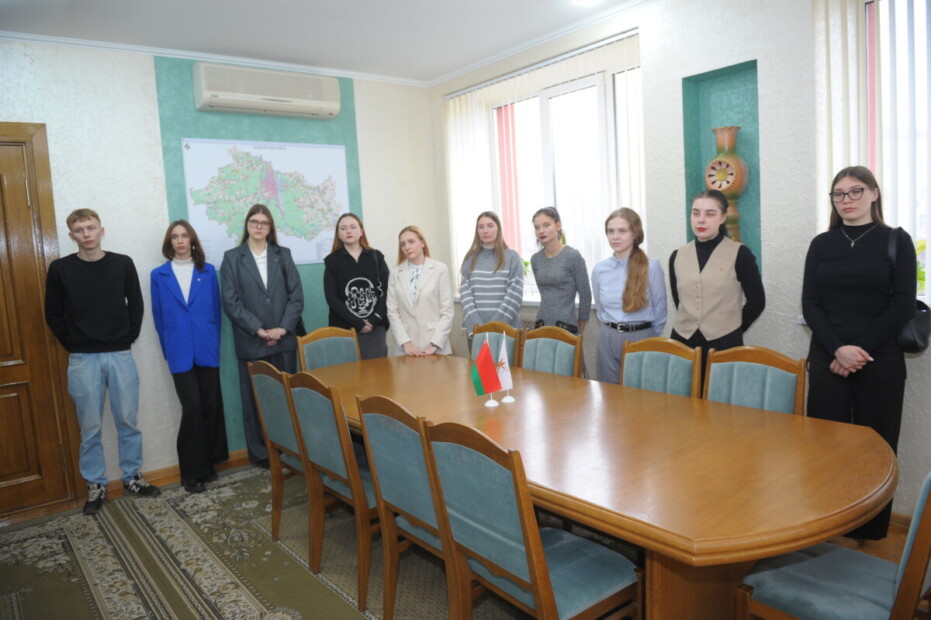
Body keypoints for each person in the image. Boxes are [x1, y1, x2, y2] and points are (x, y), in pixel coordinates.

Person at [803, 165, 915, 541]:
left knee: (876, 448)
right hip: (827, 356)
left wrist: (859, 350)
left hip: (879, 357)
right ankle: (827, 525)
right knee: (826, 446)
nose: (846, 200)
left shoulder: (896, 240)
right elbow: (810, 303)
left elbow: (903, 304)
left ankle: (870, 530)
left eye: (855, 191)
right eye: (839, 194)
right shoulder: (822, 244)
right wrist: (838, 349)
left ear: (874, 194)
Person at [45, 208, 161, 515]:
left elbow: (136, 304)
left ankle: (132, 477)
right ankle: (96, 485)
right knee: (90, 426)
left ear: (101, 230)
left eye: (91, 228)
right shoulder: (60, 269)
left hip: (120, 354)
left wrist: (127, 337)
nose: (86, 234)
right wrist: (74, 343)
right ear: (71, 235)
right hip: (82, 359)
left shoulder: (122, 263)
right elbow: (52, 313)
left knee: (128, 420)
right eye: (79, 230)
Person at [221, 204, 304, 468]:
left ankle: (290, 451)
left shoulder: (283, 255)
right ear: (247, 225)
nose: (258, 226)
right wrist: (257, 329)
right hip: (252, 342)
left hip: (284, 340)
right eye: (254, 222)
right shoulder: (232, 258)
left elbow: (296, 296)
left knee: (285, 400)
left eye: (264, 223)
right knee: (255, 402)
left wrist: (283, 328)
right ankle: (262, 454)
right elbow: (230, 301)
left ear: (270, 228)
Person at [151, 220, 228, 493]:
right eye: (175, 237)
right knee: (192, 407)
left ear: (192, 240)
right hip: (179, 350)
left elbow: (216, 313)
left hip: (206, 347)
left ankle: (208, 464)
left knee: (210, 406)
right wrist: (168, 350)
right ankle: (191, 472)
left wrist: (214, 344)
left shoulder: (207, 272)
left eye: (185, 236)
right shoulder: (159, 275)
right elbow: (159, 318)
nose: (180, 241)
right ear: (169, 242)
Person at [669, 190, 765, 370]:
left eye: (710, 214)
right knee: (682, 388)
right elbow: (679, 300)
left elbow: (757, 302)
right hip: (683, 342)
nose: (701, 220)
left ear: (723, 217)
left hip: (724, 343)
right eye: (695, 213)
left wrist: (734, 329)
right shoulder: (677, 255)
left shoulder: (740, 253)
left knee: (719, 389)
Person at [591, 208, 667, 383]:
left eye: (622, 231)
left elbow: (660, 310)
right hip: (608, 337)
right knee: (609, 392)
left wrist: (646, 336)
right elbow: (600, 310)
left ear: (635, 233)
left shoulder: (651, 266)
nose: (615, 236)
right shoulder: (600, 269)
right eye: (610, 231)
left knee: (640, 392)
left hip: (641, 336)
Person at [323, 213, 390, 359]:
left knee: (376, 370)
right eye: (343, 228)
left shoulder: (376, 257)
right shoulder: (332, 261)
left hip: (375, 326)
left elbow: (388, 291)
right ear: (338, 234)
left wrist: (373, 320)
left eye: (353, 227)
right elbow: (331, 298)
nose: (348, 231)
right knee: (348, 371)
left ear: (361, 231)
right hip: (344, 328)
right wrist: (358, 322)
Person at [386, 226, 455, 356]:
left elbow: (447, 312)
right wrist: (406, 343)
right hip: (406, 348)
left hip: (436, 346)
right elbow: (392, 312)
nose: (407, 247)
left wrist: (434, 344)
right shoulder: (395, 273)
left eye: (411, 241)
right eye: (403, 244)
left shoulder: (440, 269)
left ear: (422, 243)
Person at [459, 211, 525, 338]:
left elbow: (514, 297)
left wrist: (494, 328)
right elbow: (466, 298)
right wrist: (478, 328)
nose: (485, 231)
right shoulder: (470, 258)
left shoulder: (512, 257)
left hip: (507, 331)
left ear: (498, 228)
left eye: (490, 226)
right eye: (481, 227)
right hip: (476, 331)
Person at [529, 207, 591, 335]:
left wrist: (582, 323)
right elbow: (544, 293)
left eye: (546, 225)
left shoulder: (572, 256)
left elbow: (585, 294)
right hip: (541, 324)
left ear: (558, 226)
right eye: (537, 227)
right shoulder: (535, 259)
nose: (541, 231)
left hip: (567, 326)